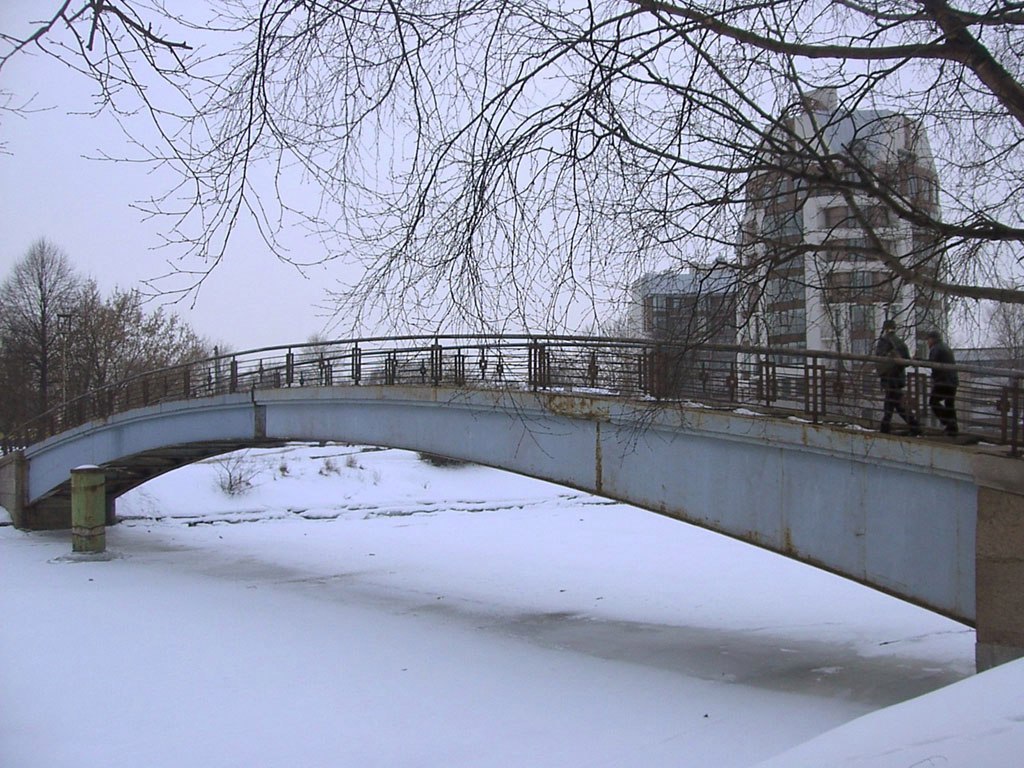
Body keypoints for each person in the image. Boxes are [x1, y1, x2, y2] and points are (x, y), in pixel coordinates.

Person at [874, 319, 921, 435]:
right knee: (895, 404)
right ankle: (912, 426)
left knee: (893, 405)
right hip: (898, 378)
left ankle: (912, 426)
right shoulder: (900, 342)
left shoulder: (884, 341)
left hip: (889, 378)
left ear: (885, 329)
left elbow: (879, 358)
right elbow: (906, 361)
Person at [925, 329, 959, 436]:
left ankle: (948, 421)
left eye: (928, 340)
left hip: (943, 381)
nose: (927, 342)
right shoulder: (945, 347)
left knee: (933, 401)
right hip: (953, 380)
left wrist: (919, 360)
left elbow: (932, 363)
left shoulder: (936, 348)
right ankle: (953, 428)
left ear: (932, 339)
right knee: (949, 404)